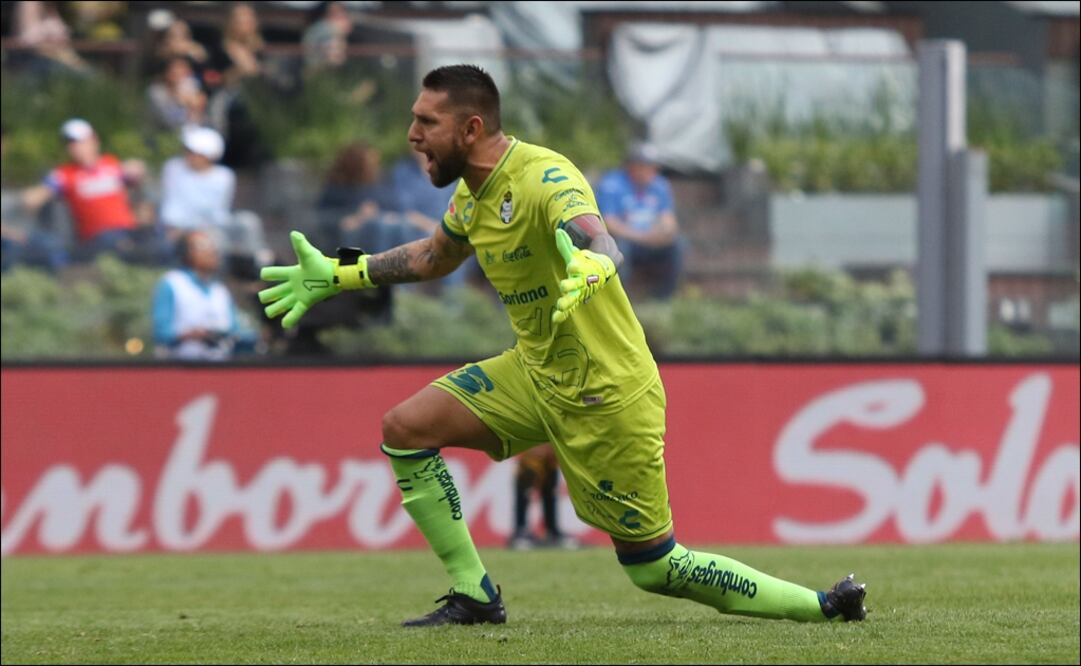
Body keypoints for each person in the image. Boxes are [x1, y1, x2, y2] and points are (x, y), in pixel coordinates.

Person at [258, 64, 868, 627]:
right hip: (534, 373)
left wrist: (597, 265)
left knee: (655, 567)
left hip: (604, 392)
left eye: (426, 122)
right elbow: (433, 256)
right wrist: (345, 274)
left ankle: (824, 607)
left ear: (470, 128)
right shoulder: (473, 193)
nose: (413, 134)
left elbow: (596, 238)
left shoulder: (545, 176)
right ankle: (475, 595)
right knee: (405, 428)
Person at [21, 118, 163, 263]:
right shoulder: (65, 174)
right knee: (114, 242)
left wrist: (136, 169)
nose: (76, 148)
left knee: (156, 237)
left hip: (128, 232)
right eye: (71, 144)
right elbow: (31, 200)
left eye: (80, 142)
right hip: (96, 239)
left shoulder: (111, 164)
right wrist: (46, 188)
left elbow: (139, 174)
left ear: (94, 140)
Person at [159, 124, 270, 274]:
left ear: (209, 156)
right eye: (188, 151)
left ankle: (261, 265)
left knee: (248, 221)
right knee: (215, 240)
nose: (189, 156)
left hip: (216, 223)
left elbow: (219, 209)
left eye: (194, 153)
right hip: (187, 228)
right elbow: (172, 211)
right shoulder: (174, 168)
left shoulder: (224, 176)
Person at [595, 142, 686, 300]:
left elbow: (668, 219)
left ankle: (665, 296)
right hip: (627, 240)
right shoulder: (612, 184)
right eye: (645, 166)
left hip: (651, 240)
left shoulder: (660, 185)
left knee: (678, 244)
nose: (651, 172)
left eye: (653, 167)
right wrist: (643, 237)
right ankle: (620, 297)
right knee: (619, 247)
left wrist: (664, 232)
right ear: (632, 166)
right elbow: (609, 222)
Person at [152, 229, 253, 361]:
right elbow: (161, 334)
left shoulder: (220, 291)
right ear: (187, 253)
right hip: (181, 368)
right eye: (203, 247)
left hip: (221, 368)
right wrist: (190, 335)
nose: (212, 252)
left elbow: (235, 331)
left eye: (213, 247)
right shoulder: (172, 283)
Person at [507, 444, 579, 550]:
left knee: (550, 481)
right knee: (528, 474)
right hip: (534, 441)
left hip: (551, 443)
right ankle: (520, 531)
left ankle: (552, 531)